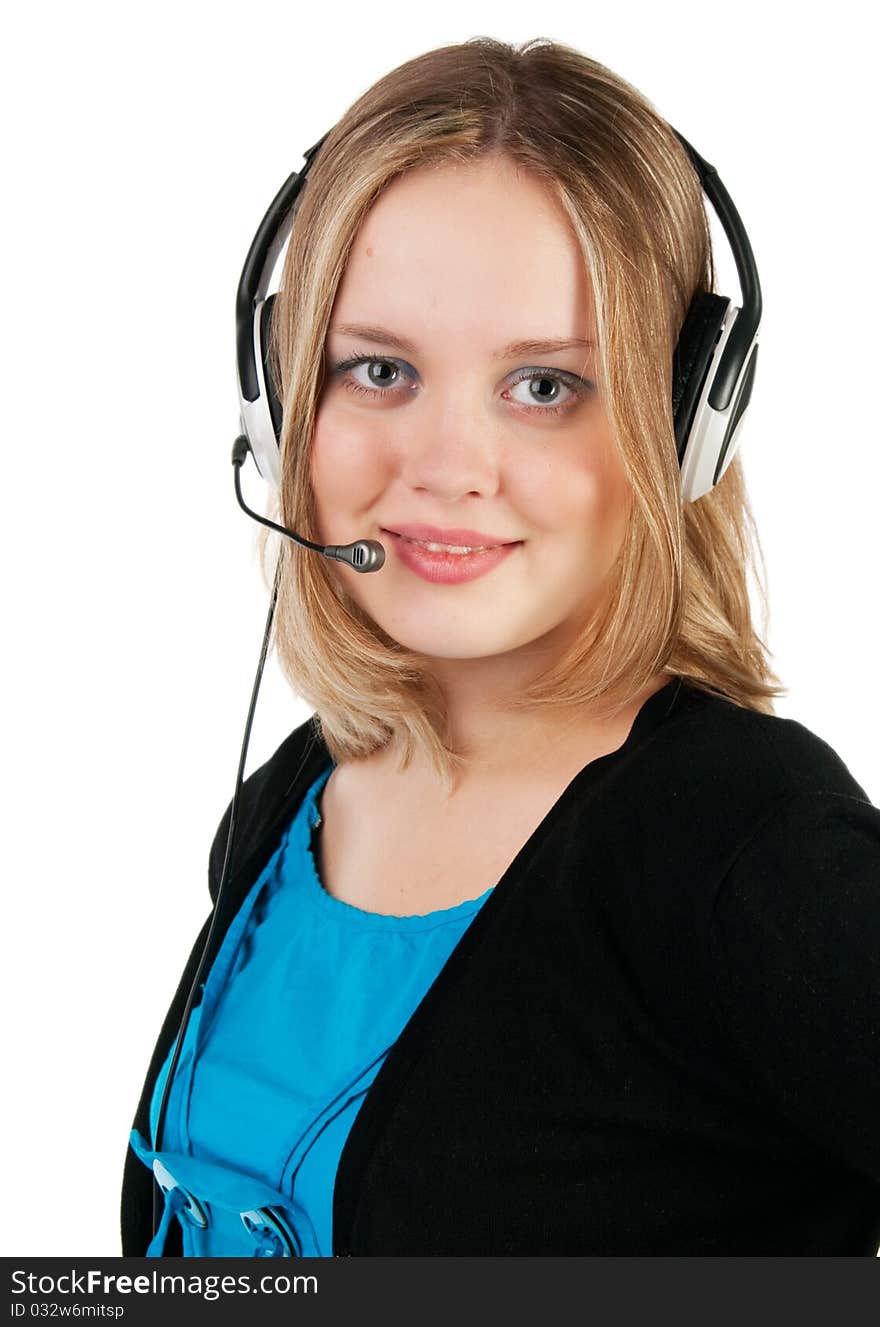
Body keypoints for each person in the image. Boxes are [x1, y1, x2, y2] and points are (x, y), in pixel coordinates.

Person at [121, 36, 880, 1257]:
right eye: (377, 370)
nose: (444, 468)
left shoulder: (749, 849)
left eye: (543, 386)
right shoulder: (295, 802)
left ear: (680, 421)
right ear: (279, 401)